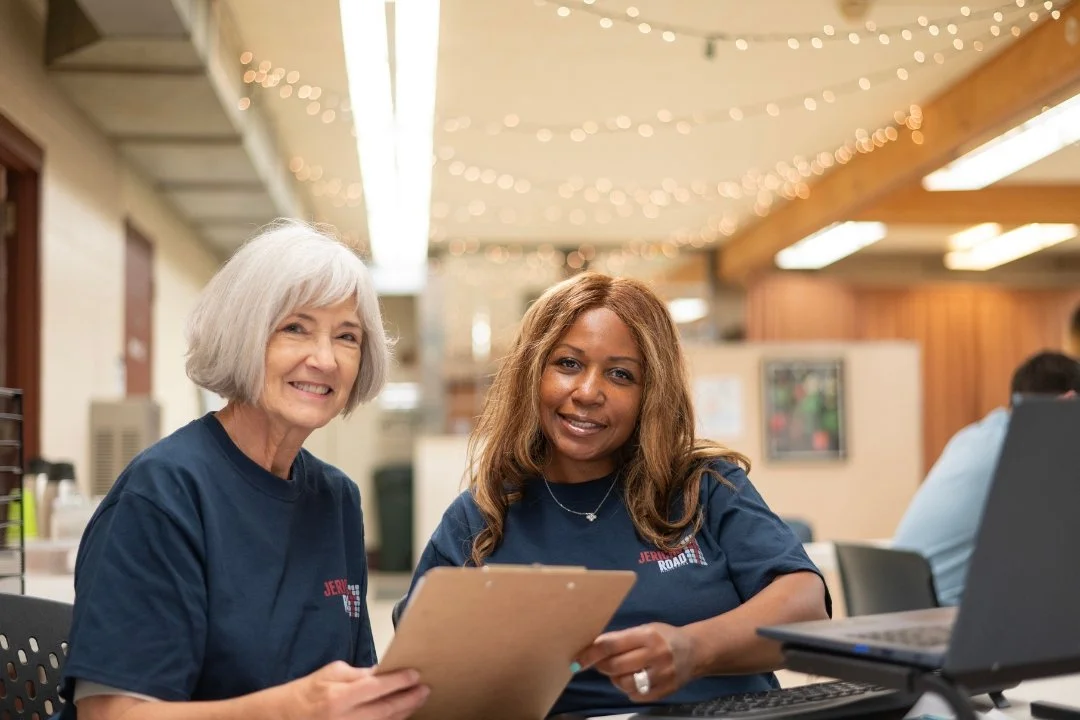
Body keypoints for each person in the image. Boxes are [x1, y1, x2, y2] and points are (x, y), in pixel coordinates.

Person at [404, 272, 831, 716]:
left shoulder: (703, 487)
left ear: (651, 394)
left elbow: (805, 605)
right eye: (568, 364)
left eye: (621, 374)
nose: (588, 392)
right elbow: (420, 666)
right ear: (532, 373)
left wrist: (692, 649)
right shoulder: (483, 516)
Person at [59, 220, 429, 720]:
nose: (324, 359)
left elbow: (356, 681)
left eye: (347, 336)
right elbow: (113, 715)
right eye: (295, 327)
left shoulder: (336, 499)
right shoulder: (165, 492)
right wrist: (293, 709)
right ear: (243, 334)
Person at [893, 350, 1080, 607]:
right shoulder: (1024, 451)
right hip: (947, 620)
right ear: (1067, 403)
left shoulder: (972, 438)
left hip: (901, 610)